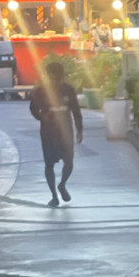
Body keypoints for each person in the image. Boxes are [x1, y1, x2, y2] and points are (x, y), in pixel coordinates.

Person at [29, 61, 83, 206]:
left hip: (65, 129)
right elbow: (33, 108)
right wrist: (42, 117)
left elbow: (76, 110)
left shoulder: (68, 89)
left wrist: (80, 128)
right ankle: (54, 195)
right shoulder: (40, 91)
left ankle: (62, 184)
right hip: (48, 130)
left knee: (69, 161)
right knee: (49, 164)